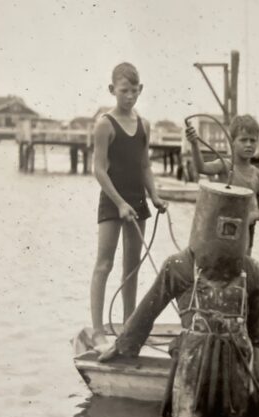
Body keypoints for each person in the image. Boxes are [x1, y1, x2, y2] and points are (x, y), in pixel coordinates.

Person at [97, 181, 259, 417]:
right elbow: (147, 311)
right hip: (192, 367)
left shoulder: (252, 271)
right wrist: (122, 346)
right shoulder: (179, 265)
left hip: (235, 370)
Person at [90, 62, 167, 346]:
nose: (130, 97)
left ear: (141, 90)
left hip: (137, 200)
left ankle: (129, 329)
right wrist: (120, 203)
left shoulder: (144, 124)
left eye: (135, 91)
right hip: (113, 201)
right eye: (124, 91)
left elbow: (145, 165)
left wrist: (155, 195)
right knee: (104, 264)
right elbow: (98, 169)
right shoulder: (104, 124)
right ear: (113, 90)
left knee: (132, 267)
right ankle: (98, 331)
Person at [185, 114, 259, 253]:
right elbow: (202, 168)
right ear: (232, 141)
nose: (248, 144)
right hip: (221, 228)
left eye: (253, 141)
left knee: (242, 265)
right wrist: (194, 144)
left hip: (246, 231)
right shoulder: (224, 165)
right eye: (243, 140)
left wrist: (253, 216)